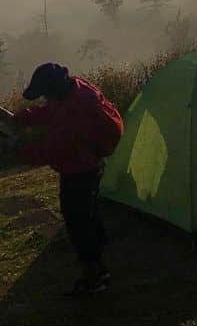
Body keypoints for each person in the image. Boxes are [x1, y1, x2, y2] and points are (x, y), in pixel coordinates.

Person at [1, 64, 123, 296]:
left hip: (80, 169)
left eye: (45, 93)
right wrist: (20, 119)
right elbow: (50, 111)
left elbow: (49, 151)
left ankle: (95, 276)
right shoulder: (74, 88)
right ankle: (98, 249)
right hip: (92, 162)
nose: (45, 98)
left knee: (77, 221)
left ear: (53, 89)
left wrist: (18, 147)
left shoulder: (74, 113)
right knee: (88, 211)